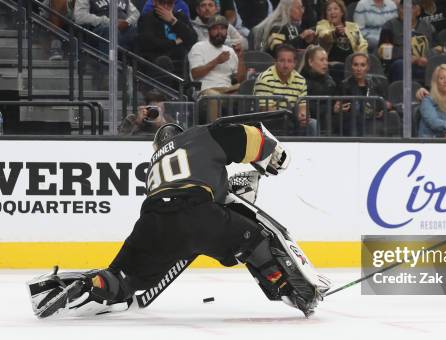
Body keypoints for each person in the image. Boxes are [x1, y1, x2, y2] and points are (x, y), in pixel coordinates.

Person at [27, 116, 330, 319]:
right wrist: (274, 154)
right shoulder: (199, 137)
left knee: (125, 277)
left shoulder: (154, 166)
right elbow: (245, 138)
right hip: (198, 213)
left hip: (151, 223)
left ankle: (88, 283)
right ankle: (294, 289)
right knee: (254, 240)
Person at [188, 15, 246, 121]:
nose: (219, 32)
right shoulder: (199, 47)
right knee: (214, 96)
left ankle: (245, 130)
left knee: (247, 89)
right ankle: (214, 130)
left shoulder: (230, 51)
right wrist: (216, 61)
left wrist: (241, 58)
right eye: (215, 28)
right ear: (209, 31)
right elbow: (195, 73)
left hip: (228, 90)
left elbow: (240, 79)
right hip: (206, 91)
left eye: (223, 28)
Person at [253, 44, 316, 135]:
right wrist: (290, 116)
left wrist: (303, 115)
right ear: (275, 62)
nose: (286, 65)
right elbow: (267, 110)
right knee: (285, 124)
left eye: (289, 61)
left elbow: (303, 106)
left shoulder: (300, 80)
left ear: (295, 63)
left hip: (290, 119)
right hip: (267, 121)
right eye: (282, 61)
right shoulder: (265, 79)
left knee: (312, 124)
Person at [336, 52, 393, 136]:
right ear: (351, 67)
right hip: (352, 122)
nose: (359, 69)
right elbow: (338, 107)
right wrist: (338, 108)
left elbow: (386, 104)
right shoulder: (344, 85)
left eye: (362, 65)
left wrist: (385, 108)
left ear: (368, 67)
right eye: (356, 65)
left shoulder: (377, 84)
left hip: (373, 120)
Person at [137, 0, 198, 76]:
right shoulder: (146, 18)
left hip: (180, 61)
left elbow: (193, 39)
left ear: (173, 4)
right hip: (156, 62)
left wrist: (174, 21)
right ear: (155, 3)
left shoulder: (181, 17)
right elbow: (150, 43)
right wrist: (176, 42)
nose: (165, 7)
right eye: (162, 3)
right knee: (164, 60)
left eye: (169, 3)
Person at [74, 0, 140, 52]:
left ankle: (134, 67)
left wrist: (127, 22)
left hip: (123, 29)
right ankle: (106, 67)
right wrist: (108, 22)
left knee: (136, 31)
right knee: (109, 31)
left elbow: (136, 13)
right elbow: (80, 17)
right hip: (97, 31)